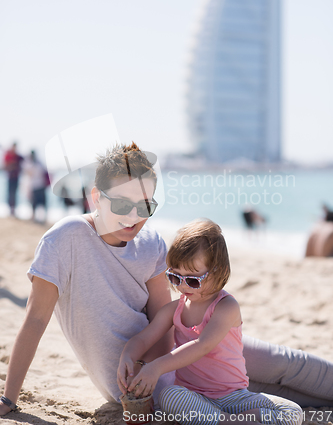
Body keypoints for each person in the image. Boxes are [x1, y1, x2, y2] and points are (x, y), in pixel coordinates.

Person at [1, 142, 333, 418]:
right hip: (149, 381)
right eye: (121, 203)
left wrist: (167, 368)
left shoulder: (151, 244)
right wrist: (9, 398)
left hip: (184, 350)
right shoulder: (65, 239)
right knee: (267, 395)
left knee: (288, 364)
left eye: (144, 205)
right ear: (96, 197)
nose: (133, 216)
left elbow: (169, 318)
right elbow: (35, 320)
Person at [118, 219, 303, 425]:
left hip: (233, 396)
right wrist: (128, 355)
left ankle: (225, 421)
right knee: (170, 396)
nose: (183, 286)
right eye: (175, 278)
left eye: (192, 280)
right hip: (195, 398)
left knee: (292, 411)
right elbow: (144, 339)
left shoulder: (226, 307)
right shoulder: (174, 310)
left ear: (217, 272)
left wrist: (157, 366)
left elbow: (203, 345)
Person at [22, 150, 49, 223]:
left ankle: (35, 216)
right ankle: (42, 217)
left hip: (35, 185)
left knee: (35, 202)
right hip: (40, 185)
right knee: (41, 202)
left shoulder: (31, 164)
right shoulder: (39, 163)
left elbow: (28, 173)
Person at [3, 142, 24, 216]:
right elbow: (5, 166)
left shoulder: (17, 156)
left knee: (14, 193)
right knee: (10, 193)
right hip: (10, 177)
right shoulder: (8, 155)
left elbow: (24, 161)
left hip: (16, 177)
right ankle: (10, 209)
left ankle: (13, 209)